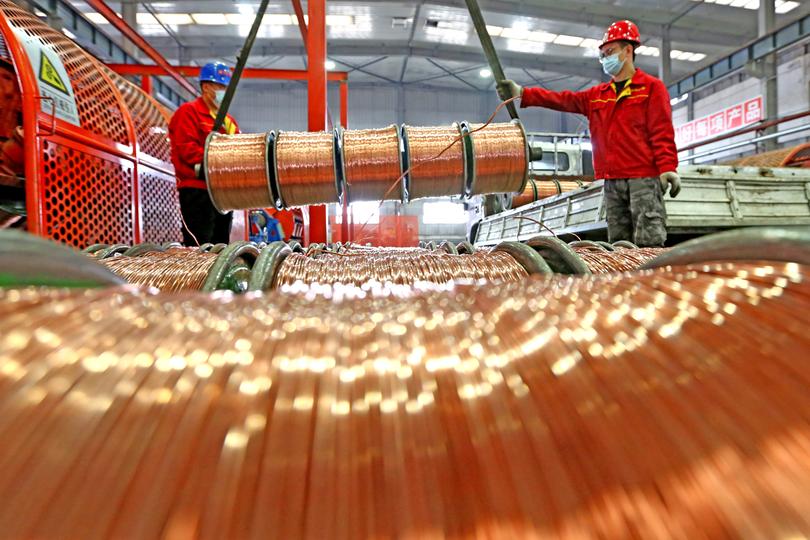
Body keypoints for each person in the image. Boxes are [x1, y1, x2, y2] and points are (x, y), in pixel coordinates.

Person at [497, 21, 680, 247]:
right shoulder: (598, 95)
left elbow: (661, 131)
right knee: (619, 245)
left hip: (643, 178)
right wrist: (523, 94)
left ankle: (651, 282)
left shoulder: (651, 88)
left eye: (609, 52)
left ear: (628, 51)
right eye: (602, 55)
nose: (605, 59)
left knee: (649, 242)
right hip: (612, 181)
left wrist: (668, 168)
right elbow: (563, 99)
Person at [169, 62, 239, 246]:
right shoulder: (189, 113)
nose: (224, 91)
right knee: (199, 246)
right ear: (206, 87)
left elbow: (239, 150)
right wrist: (221, 162)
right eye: (220, 87)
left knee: (221, 246)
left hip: (223, 194)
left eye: (226, 87)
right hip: (198, 191)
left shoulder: (228, 121)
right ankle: (197, 275)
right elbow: (188, 150)